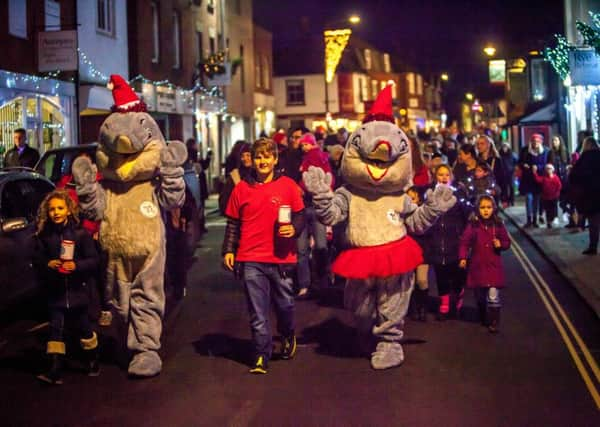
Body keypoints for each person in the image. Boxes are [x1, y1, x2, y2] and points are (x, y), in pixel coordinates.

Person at [222, 138, 305, 374]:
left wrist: (295, 229)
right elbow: (233, 223)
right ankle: (261, 355)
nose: (262, 161)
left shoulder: (288, 186)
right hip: (251, 258)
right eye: (258, 157)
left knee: (285, 306)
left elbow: (300, 215)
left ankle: (287, 334)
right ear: (252, 160)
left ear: (275, 159)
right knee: (257, 313)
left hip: (281, 258)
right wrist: (229, 250)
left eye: (267, 157)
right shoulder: (242, 188)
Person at [33, 189, 100, 384]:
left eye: (60, 208)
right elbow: (37, 258)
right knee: (56, 329)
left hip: (78, 290)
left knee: (84, 329)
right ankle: (55, 370)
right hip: (56, 292)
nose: (56, 212)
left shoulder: (80, 234)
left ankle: (92, 359)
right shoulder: (44, 236)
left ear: (69, 210)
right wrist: (48, 263)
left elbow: (94, 260)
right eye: (52, 209)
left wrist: (77, 266)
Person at [56, 153, 112, 327]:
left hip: (92, 234)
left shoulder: (98, 182)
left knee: (99, 273)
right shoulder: (66, 182)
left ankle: (105, 309)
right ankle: (84, 310)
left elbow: (104, 207)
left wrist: (98, 228)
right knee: (79, 274)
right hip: (74, 235)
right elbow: (58, 201)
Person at [459, 195, 511, 333]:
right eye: (482, 208)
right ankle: (482, 312)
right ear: (478, 209)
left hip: (493, 266)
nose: (486, 210)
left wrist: (501, 244)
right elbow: (464, 242)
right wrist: (463, 258)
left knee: (493, 296)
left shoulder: (498, 224)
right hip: (478, 266)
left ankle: (494, 321)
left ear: (493, 208)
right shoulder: (473, 225)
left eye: (488, 207)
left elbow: (506, 241)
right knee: (480, 295)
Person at [426, 164, 469, 320]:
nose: (444, 178)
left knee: (457, 276)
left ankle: (458, 296)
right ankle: (444, 305)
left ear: (451, 177)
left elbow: (467, 216)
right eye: (440, 175)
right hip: (437, 241)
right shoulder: (430, 194)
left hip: (455, 242)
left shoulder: (458, 194)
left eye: (446, 175)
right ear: (435, 176)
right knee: (441, 275)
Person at [297, 132, 333, 299]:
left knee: (305, 249)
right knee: (320, 246)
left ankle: (306, 285)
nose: (303, 147)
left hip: (307, 206)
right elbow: (329, 179)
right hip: (314, 206)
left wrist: (303, 186)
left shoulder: (309, 159)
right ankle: (322, 282)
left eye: (305, 144)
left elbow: (306, 181)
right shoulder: (322, 158)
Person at [569, 136, 600, 254]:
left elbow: (574, 177)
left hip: (591, 194)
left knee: (594, 222)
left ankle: (593, 247)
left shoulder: (584, 158)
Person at [406, 186, 431, 321]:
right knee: (410, 282)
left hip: (422, 252)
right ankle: (412, 309)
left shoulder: (423, 213)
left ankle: (423, 308)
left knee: (422, 280)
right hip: (408, 252)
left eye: (413, 198)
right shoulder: (403, 213)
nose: (411, 201)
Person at [519, 133, 548, 227]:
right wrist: (524, 165)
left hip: (538, 179)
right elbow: (520, 162)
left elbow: (547, 165)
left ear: (540, 142)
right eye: (533, 141)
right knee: (529, 198)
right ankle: (529, 219)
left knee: (537, 200)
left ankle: (535, 220)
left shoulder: (545, 152)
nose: (535, 143)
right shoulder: (525, 150)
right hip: (528, 179)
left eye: (537, 141)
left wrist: (538, 167)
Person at [218, 142, 252, 215]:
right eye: (242, 156)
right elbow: (224, 200)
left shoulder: (259, 175)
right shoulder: (235, 176)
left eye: (248, 155)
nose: (245, 158)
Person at [532, 164, 562, 228]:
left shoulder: (555, 177)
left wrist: (557, 194)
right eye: (547, 169)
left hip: (554, 197)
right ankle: (549, 222)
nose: (548, 170)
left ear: (552, 170)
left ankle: (552, 220)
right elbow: (538, 180)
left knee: (553, 210)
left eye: (550, 169)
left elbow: (559, 186)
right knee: (548, 210)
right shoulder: (544, 177)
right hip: (546, 198)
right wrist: (534, 173)